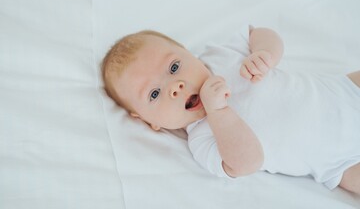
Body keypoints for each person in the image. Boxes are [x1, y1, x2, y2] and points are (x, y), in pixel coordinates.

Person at [101, 25, 360, 194]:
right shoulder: (203, 139)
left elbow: (256, 32)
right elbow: (248, 162)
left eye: (174, 67)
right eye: (154, 94)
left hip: (345, 91)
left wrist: (264, 53)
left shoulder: (220, 55)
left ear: (187, 52)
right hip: (340, 162)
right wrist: (218, 112)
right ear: (149, 121)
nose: (175, 87)